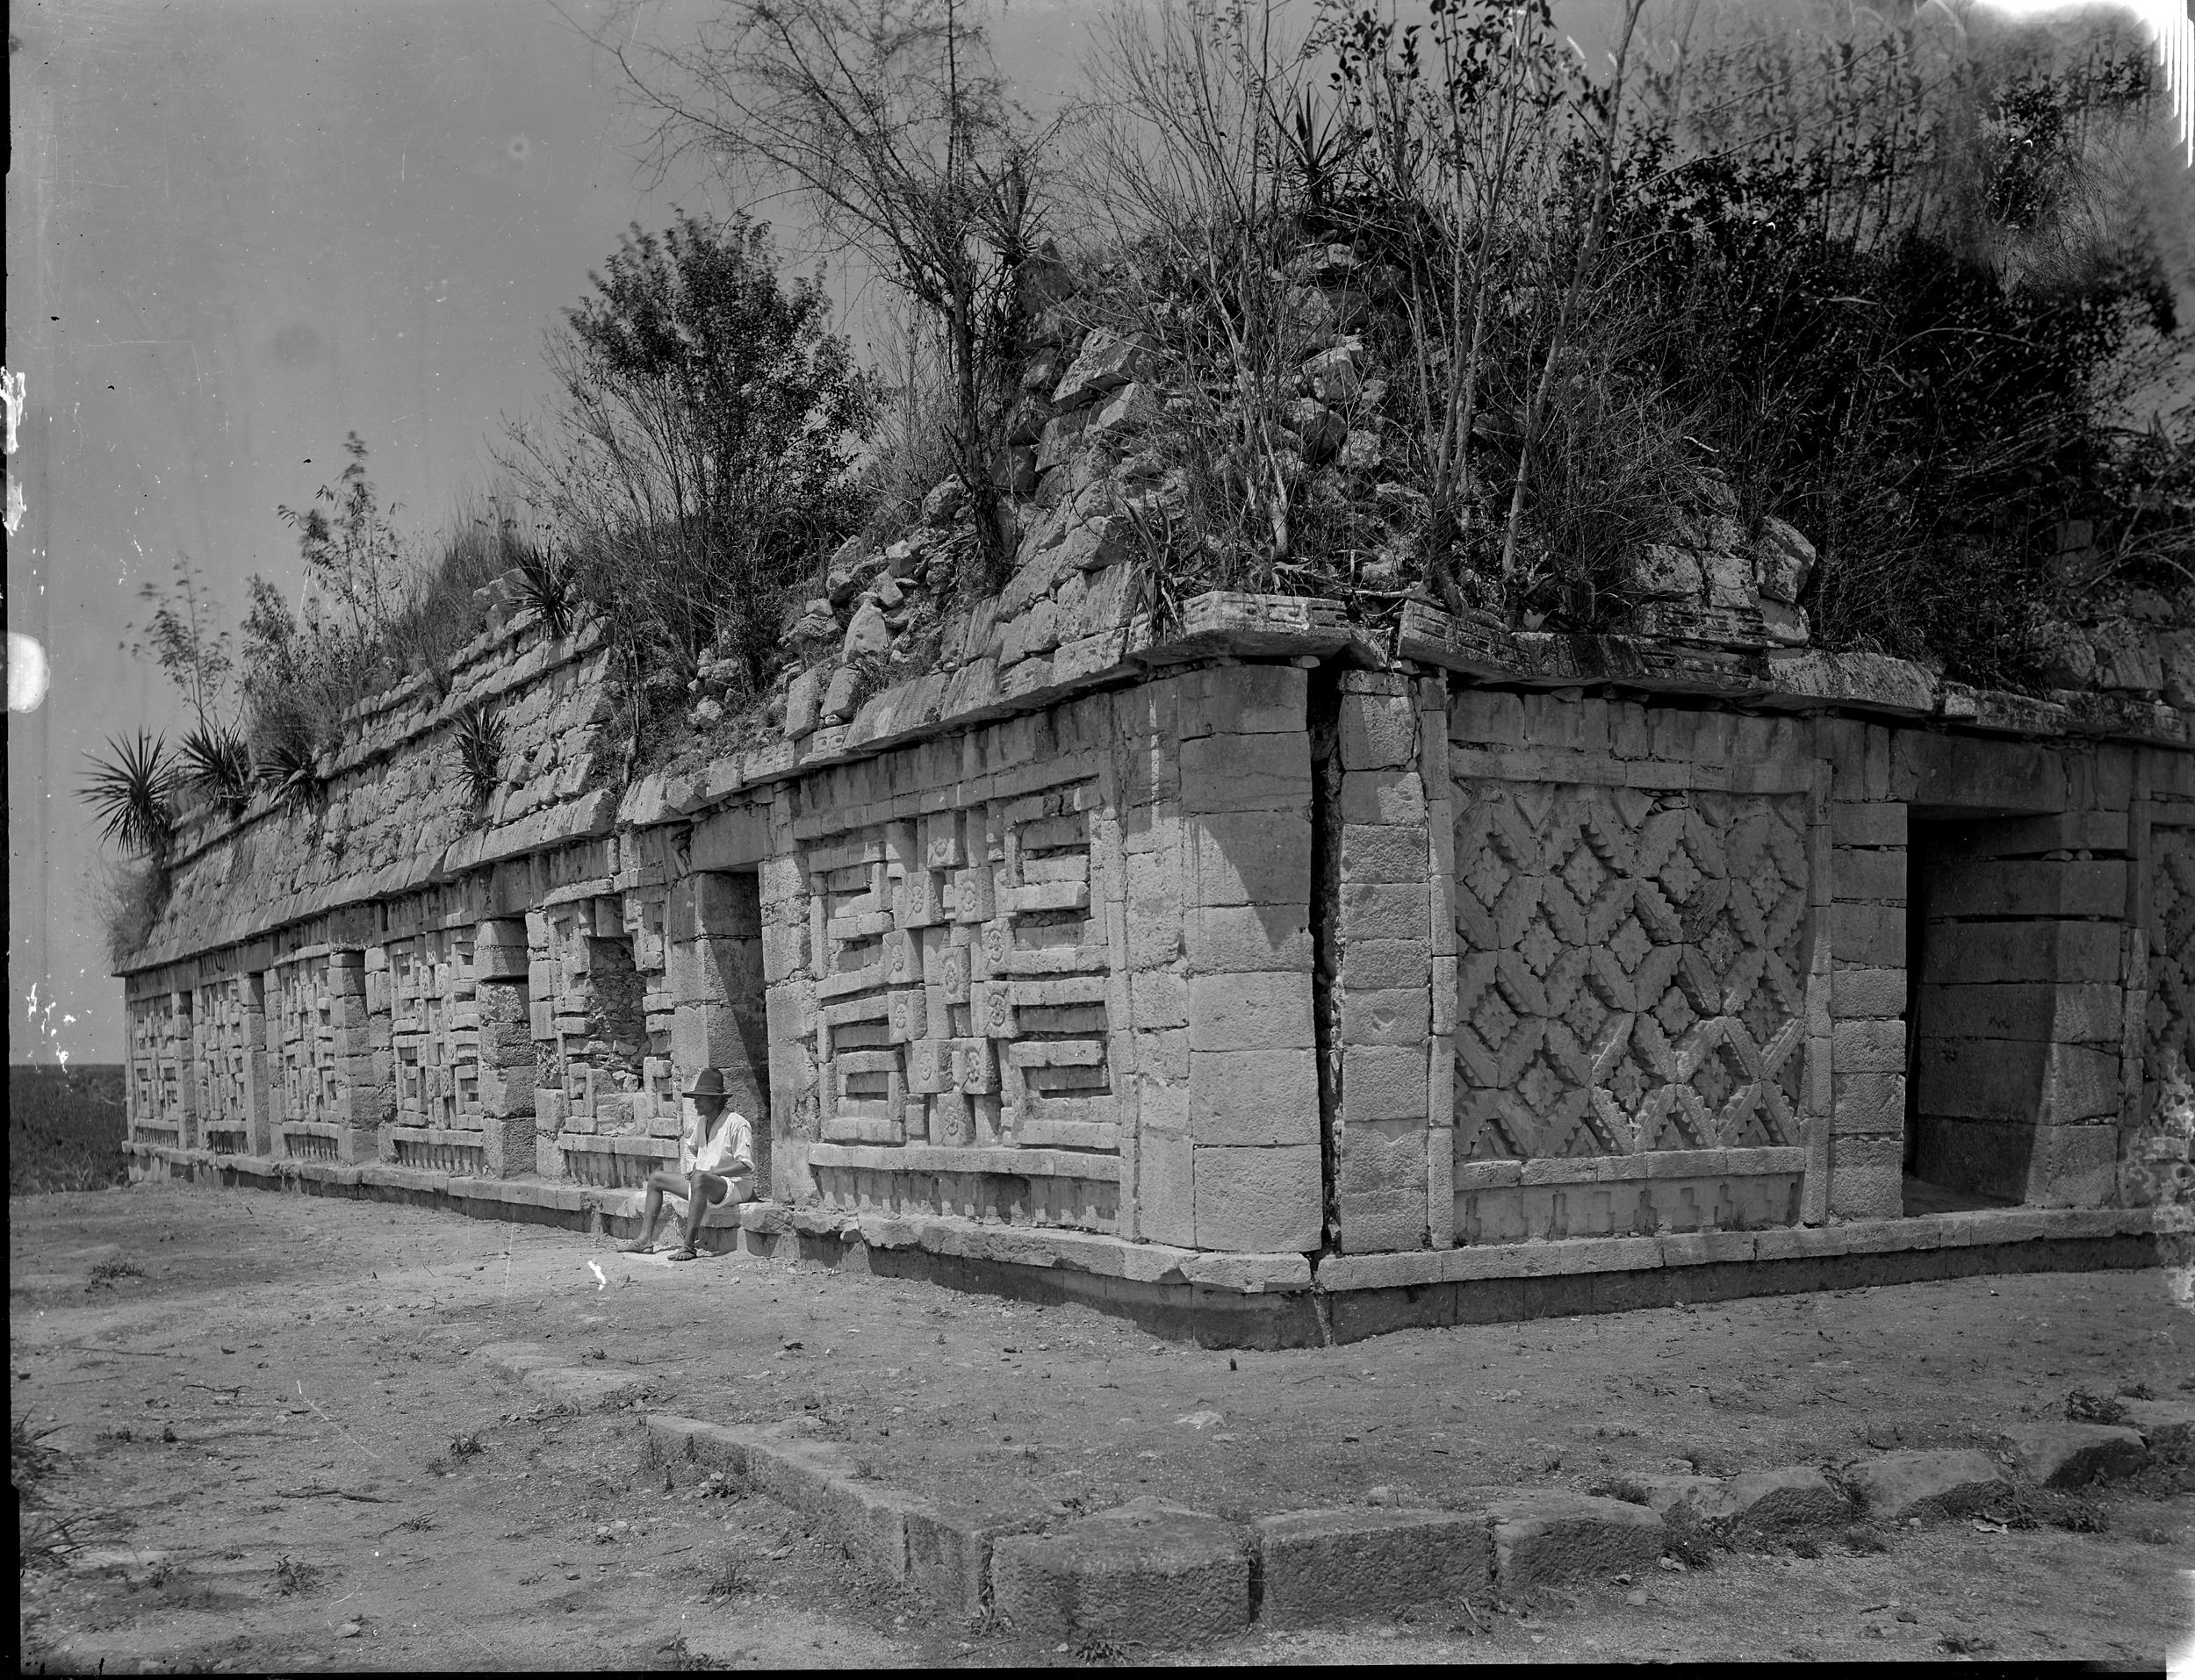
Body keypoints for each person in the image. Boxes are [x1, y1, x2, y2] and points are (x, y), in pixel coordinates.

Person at [616, 1067, 753, 1262]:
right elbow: (690, 1149)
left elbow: (746, 1165)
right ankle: (644, 1240)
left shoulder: (737, 1123)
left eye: (701, 1098)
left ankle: (689, 1246)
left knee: (700, 1178)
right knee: (656, 1179)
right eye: (695, 1097)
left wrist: (712, 1172)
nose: (696, 1102)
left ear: (716, 1099)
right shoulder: (702, 1124)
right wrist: (695, 1167)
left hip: (735, 1187)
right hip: (704, 1183)